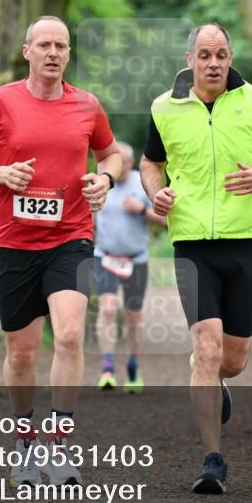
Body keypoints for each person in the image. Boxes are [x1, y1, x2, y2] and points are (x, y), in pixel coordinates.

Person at [0, 15, 122, 488]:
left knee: (69, 335)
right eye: (45, 44)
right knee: (21, 352)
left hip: (70, 238)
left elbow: (112, 154)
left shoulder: (87, 106)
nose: (53, 53)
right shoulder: (0, 102)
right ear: (27, 51)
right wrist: (1, 174)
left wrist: (104, 179)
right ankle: (26, 443)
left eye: (62, 46)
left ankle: (60, 444)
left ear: (69, 54)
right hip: (12, 242)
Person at [140, 23, 252, 494]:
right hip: (191, 244)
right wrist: (157, 194)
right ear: (190, 58)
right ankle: (212, 459)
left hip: (244, 238)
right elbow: (151, 163)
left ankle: (216, 378)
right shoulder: (165, 108)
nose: (213, 62)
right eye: (205, 54)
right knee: (206, 350)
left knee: (234, 359)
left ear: (231, 58)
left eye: (221, 54)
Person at [92, 141, 167, 394]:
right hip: (105, 256)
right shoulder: (101, 184)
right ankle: (107, 367)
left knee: (134, 315)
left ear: (131, 163)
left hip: (136, 259)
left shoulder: (142, 184)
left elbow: (167, 221)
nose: (116, 168)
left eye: (121, 162)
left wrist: (143, 210)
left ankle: (133, 365)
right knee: (108, 307)